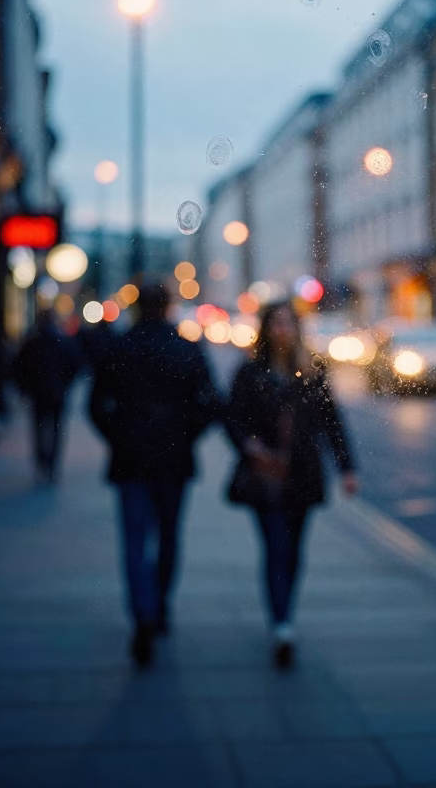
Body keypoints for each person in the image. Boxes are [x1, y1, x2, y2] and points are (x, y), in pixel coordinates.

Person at [88, 283, 221, 669]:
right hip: (173, 459)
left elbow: (96, 404)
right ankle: (160, 604)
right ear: (168, 307)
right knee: (167, 534)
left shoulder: (119, 347)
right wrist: (187, 436)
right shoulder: (186, 348)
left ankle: (142, 611)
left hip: (130, 458)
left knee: (133, 539)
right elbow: (209, 403)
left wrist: (117, 436)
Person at [225, 300, 359, 670]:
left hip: (303, 473)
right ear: (265, 329)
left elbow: (332, 421)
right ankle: (281, 624)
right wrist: (249, 445)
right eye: (276, 323)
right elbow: (232, 418)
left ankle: (284, 615)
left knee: (294, 552)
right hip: (265, 475)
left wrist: (348, 467)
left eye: (288, 323)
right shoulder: (250, 372)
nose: (282, 330)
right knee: (275, 547)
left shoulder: (312, 371)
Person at [11, 308, 83, 484]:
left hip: (38, 394)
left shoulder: (32, 343)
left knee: (39, 428)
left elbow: (18, 368)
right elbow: (75, 364)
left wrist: (25, 388)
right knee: (56, 430)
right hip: (57, 393)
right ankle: (51, 464)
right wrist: (65, 383)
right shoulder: (62, 341)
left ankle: (42, 462)